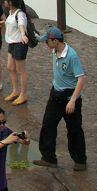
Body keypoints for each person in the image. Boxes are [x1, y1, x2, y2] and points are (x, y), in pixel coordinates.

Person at [33, 27, 87, 171]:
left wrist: (73, 100)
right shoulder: (54, 50)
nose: (46, 44)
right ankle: (48, 157)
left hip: (69, 97)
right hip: (55, 94)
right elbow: (38, 39)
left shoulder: (72, 55)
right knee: (48, 124)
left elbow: (81, 79)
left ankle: (80, 160)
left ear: (55, 41)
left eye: (48, 41)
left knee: (74, 130)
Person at [2, 0, 31, 106]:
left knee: (21, 70)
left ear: (11, 2)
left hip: (20, 43)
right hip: (12, 43)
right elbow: (12, 24)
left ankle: (23, 94)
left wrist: (23, 34)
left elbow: (21, 25)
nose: (4, 2)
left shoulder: (20, 14)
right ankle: (15, 90)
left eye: (6, 0)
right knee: (10, 67)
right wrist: (2, 23)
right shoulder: (11, 13)